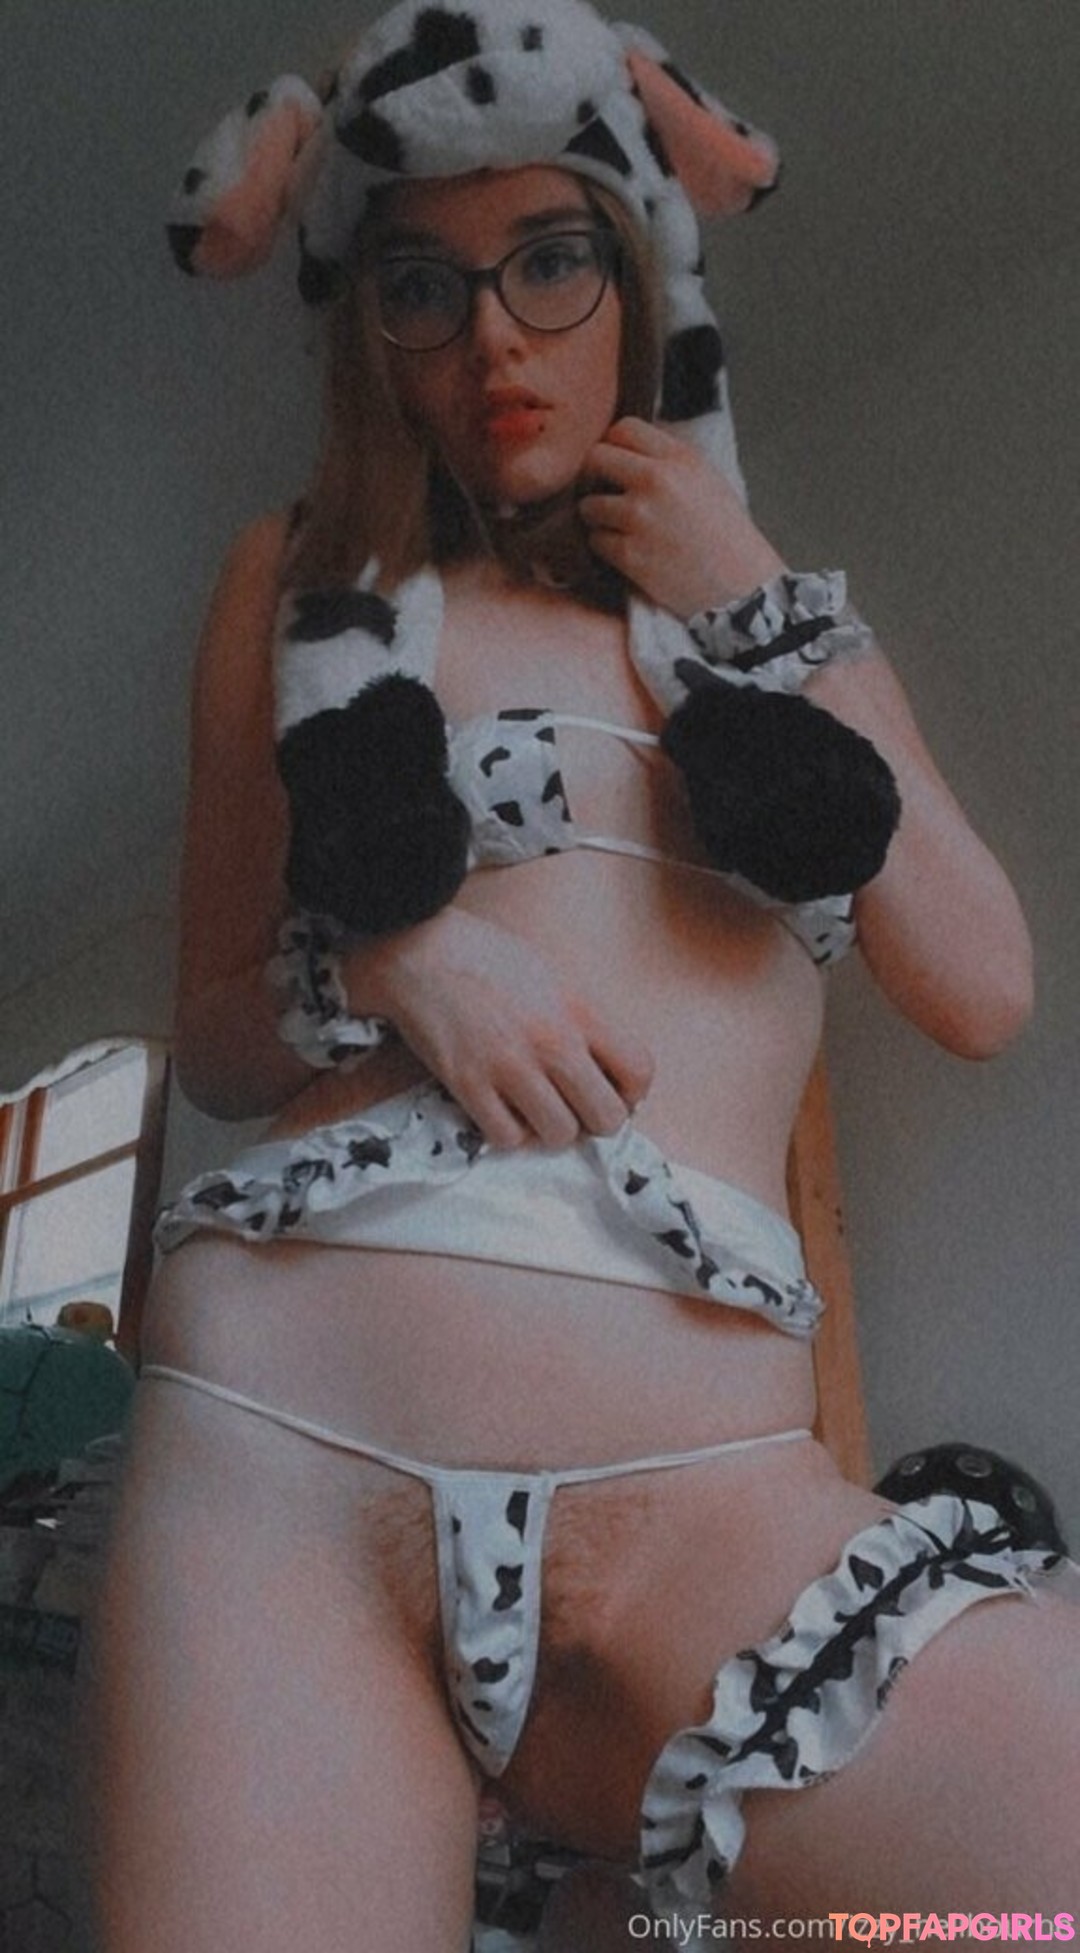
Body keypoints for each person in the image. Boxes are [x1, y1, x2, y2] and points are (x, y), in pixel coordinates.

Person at [92, 4, 1080, 1949]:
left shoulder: (780, 617)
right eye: (422, 285)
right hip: (291, 1484)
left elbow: (981, 986)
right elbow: (209, 1034)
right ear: (365, 324)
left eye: (550, 261)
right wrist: (392, 961)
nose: (494, 340)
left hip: (713, 1502)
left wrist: (757, 598)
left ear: (640, 276)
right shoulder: (296, 583)